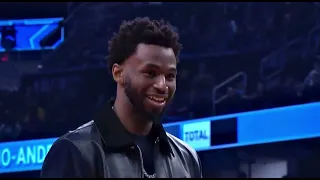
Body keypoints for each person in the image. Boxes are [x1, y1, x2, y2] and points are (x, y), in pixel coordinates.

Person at [41, 17, 202, 178]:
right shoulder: (74, 152)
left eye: (170, 76)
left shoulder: (187, 158)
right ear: (118, 73)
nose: (162, 85)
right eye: (150, 73)